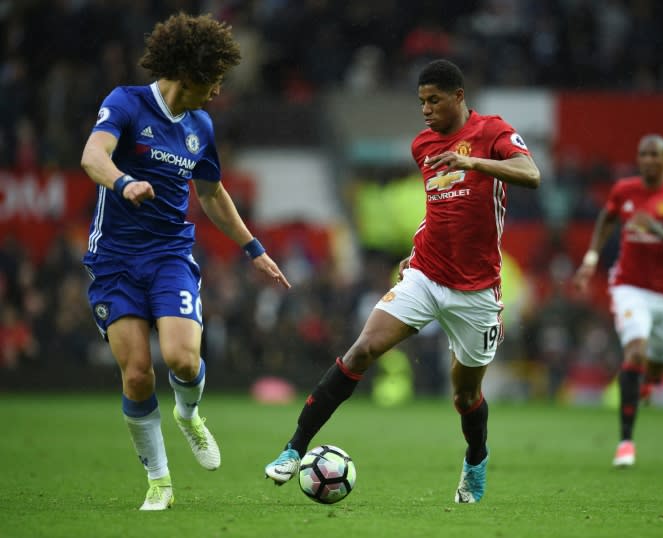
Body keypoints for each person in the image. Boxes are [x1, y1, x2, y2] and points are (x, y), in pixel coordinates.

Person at [264, 59, 541, 503]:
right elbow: (440, 211)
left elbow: (532, 174)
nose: (426, 109)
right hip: (426, 276)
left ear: (458, 96)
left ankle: (475, 460)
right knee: (362, 349)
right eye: (421, 102)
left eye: (434, 100)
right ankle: (293, 448)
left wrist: (480, 166)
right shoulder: (423, 145)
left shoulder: (492, 132)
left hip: (476, 292)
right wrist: (414, 254)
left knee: (465, 394)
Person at [80, 12, 290, 511]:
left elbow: (212, 193)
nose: (217, 92)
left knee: (182, 359)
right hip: (114, 259)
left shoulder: (200, 125)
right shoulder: (127, 103)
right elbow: (92, 155)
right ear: (188, 76)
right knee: (135, 374)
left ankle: (189, 414)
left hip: (170, 255)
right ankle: (159, 480)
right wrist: (124, 182)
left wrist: (253, 248)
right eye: (212, 82)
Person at [573, 134, 663, 468]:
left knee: (658, 367)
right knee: (635, 352)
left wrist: (659, 231)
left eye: (654, 155)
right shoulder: (624, 191)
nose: (647, 160)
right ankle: (626, 442)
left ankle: (647, 384)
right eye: (643, 154)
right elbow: (607, 218)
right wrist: (591, 258)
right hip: (628, 286)